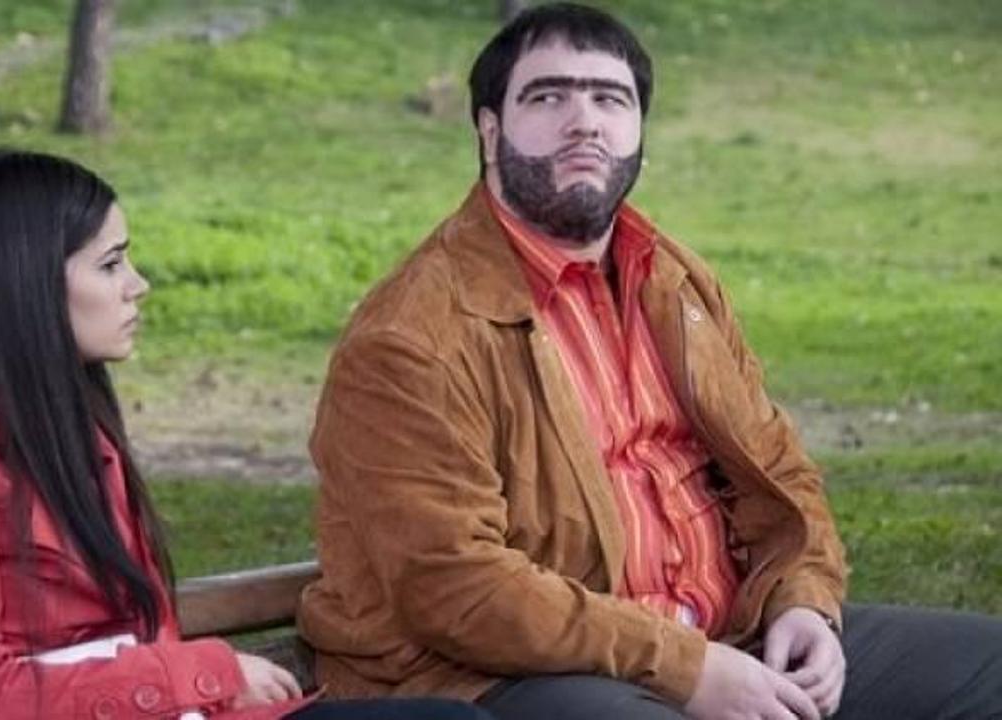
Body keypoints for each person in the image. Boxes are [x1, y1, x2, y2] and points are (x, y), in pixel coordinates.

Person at [298, 4, 1002, 719]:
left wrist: (804, 601)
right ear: (488, 131)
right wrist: (687, 667)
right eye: (548, 97)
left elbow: (778, 471)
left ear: (639, 131)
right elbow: (456, 587)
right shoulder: (411, 336)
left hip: (731, 640)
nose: (584, 121)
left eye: (611, 99)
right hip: (499, 674)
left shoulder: (676, 282)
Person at [0, 149, 492, 720]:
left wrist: (196, 682)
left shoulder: (73, 431)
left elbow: (137, 634)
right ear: (24, 284)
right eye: (110, 264)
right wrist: (202, 673)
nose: (137, 286)